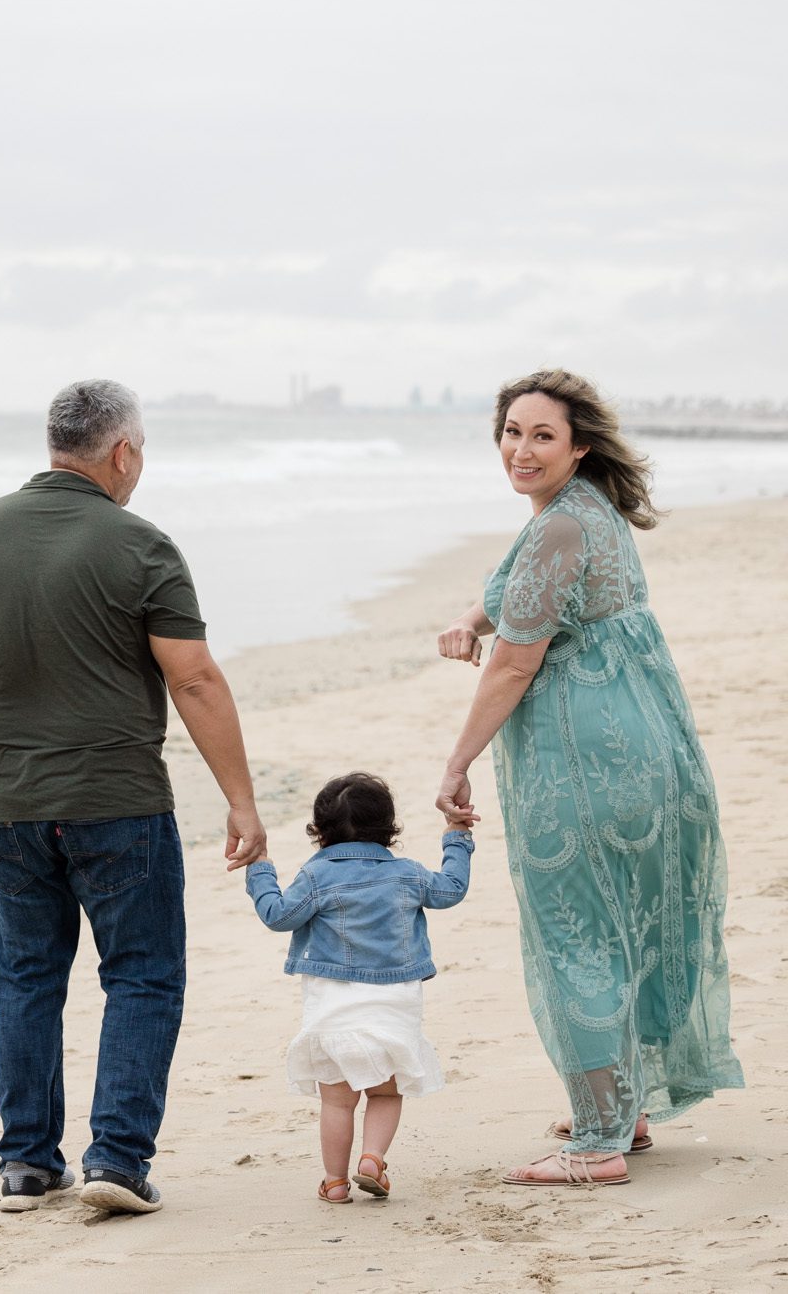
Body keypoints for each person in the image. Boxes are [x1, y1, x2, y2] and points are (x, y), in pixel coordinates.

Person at [0, 378, 267, 1217]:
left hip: (6, 802)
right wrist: (241, 800)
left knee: (26, 978)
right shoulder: (141, 544)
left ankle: (28, 1165)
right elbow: (195, 677)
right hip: (119, 799)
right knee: (142, 973)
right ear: (123, 452)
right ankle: (118, 1159)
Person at [434, 369, 743, 1187]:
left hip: (585, 762)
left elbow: (512, 666)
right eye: (512, 432)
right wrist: (471, 615)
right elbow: (522, 597)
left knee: (579, 935)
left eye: (542, 435)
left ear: (579, 444)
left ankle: (599, 1142)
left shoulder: (557, 528)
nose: (522, 449)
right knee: (627, 928)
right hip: (649, 751)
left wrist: (457, 760)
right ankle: (624, 1108)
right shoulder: (583, 511)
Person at [244, 773, 473, 1204]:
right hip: (393, 1005)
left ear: (319, 830)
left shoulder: (316, 876)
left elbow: (277, 915)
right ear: (390, 827)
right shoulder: (407, 874)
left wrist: (260, 869)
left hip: (333, 1008)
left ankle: (334, 1183)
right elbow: (452, 889)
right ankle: (372, 1158)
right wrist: (456, 837)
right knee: (386, 1093)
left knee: (337, 1102)